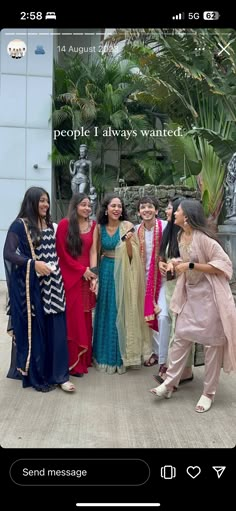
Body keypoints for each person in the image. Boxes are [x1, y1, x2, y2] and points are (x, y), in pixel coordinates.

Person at [150, 199, 236, 412]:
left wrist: (189, 265)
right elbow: (185, 258)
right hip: (191, 294)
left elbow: (225, 265)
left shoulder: (205, 239)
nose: (173, 213)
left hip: (211, 298)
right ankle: (169, 384)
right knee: (180, 337)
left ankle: (208, 393)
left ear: (186, 216)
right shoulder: (181, 235)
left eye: (176, 210)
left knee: (211, 346)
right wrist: (174, 262)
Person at [3, 187, 75, 392]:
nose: (45, 205)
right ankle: (40, 372)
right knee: (38, 331)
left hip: (54, 284)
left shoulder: (50, 225)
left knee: (58, 331)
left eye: (47, 201)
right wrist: (33, 264)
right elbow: (9, 253)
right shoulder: (20, 226)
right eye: (41, 201)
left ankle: (61, 375)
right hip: (34, 287)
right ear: (31, 202)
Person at [91, 193, 152, 374]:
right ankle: (102, 357)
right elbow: (94, 251)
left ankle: (121, 357)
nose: (117, 209)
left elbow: (133, 256)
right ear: (106, 209)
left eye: (119, 206)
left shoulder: (127, 226)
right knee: (105, 311)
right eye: (113, 206)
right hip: (106, 270)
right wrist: (94, 276)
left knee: (121, 311)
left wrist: (126, 241)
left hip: (124, 272)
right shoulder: (99, 227)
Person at [153, 197, 194, 385]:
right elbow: (163, 254)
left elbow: (192, 260)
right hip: (170, 285)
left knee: (181, 328)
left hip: (184, 286)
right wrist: (162, 262)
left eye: (172, 209)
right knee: (174, 327)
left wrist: (176, 264)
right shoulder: (169, 231)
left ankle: (178, 369)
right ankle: (178, 369)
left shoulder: (190, 233)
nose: (169, 212)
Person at [56, 193, 97, 377]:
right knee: (73, 318)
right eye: (83, 204)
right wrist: (81, 270)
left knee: (86, 318)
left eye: (89, 205)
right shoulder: (65, 224)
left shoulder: (93, 225)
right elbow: (62, 254)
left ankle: (85, 359)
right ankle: (73, 363)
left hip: (87, 277)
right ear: (75, 206)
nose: (87, 208)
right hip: (71, 276)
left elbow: (94, 252)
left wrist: (94, 275)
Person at [136, 196, 170, 373]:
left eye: (150, 207)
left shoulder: (165, 227)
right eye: (143, 207)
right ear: (139, 212)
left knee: (162, 317)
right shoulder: (136, 231)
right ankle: (155, 353)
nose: (146, 210)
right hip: (144, 280)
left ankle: (164, 360)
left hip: (163, 280)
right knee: (147, 318)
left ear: (157, 210)